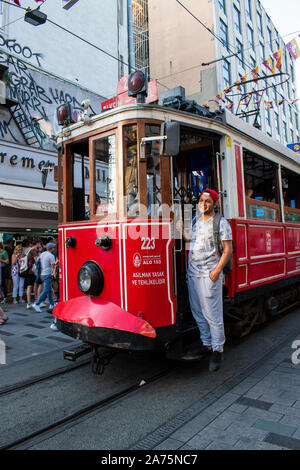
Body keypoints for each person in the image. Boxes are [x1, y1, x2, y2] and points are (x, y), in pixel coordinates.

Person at [177, 189, 233, 372]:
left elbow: (228, 250)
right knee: (198, 311)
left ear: (214, 204)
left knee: (212, 314)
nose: (203, 203)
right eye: (201, 200)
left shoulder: (221, 223)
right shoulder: (195, 221)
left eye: (208, 201)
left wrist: (216, 271)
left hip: (209, 274)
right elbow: (190, 240)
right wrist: (181, 230)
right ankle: (206, 343)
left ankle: (218, 350)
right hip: (193, 273)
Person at [33, 243, 56, 313]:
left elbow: (37, 263)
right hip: (48, 274)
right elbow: (53, 267)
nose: (54, 249)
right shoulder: (51, 256)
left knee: (48, 289)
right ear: (51, 248)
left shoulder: (42, 254)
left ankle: (52, 304)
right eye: (53, 247)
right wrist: (54, 274)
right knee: (46, 290)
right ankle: (37, 304)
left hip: (42, 274)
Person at [24, 238, 42, 309]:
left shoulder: (27, 250)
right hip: (33, 271)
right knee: (36, 285)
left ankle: (28, 303)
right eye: (39, 244)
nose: (40, 245)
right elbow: (37, 260)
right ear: (37, 243)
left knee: (29, 286)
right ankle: (36, 301)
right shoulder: (34, 251)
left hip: (27, 270)